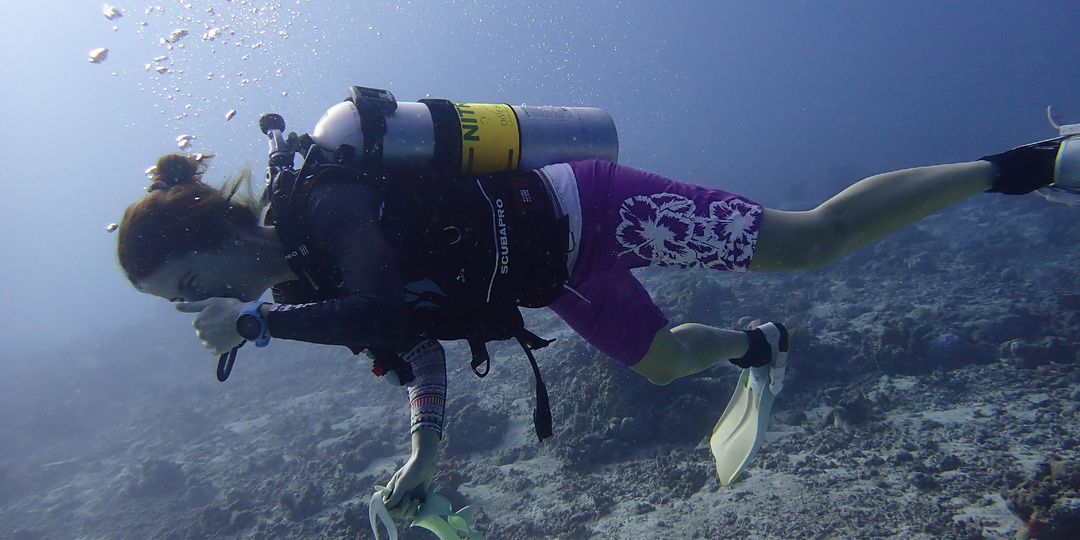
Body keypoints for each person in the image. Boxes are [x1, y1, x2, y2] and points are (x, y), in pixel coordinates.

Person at [116, 105, 1078, 517]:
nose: (197, 303)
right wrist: (425, 454)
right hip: (556, 278)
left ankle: (1026, 167)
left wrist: (256, 327)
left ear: (205, 230)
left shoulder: (324, 206)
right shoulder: (294, 290)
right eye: (181, 307)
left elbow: (370, 301)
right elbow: (409, 339)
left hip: (591, 208)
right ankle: (757, 348)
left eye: (187, 284)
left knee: (807, 241)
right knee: (659, 364)